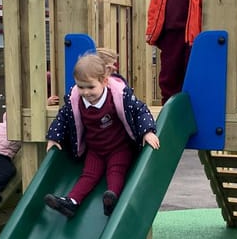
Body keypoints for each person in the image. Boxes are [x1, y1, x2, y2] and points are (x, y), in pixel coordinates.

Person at [43, 53, 159, 218]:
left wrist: (147, 131)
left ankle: (112, 198)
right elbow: (63, 117)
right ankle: (71, 202)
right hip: (95, 149)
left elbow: (139, 110)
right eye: (81, 87)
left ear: (104, 82)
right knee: (88, 175)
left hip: (119, 147)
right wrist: (54, 137)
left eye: (90, 87)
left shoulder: (118, 96)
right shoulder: (76, 100)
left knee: (116, 170)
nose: (86, 92)